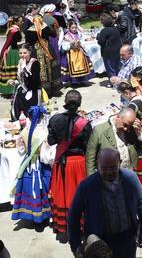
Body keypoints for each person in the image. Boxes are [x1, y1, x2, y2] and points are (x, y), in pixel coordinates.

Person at [68, 148, 142, 258]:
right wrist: (76, 246)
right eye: (104, 168)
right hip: (100, 245)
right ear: (97, 165)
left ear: (120, 163)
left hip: (127, 240)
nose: (109, 172)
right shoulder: (86, 186)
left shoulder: (131, 179)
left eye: (113, 168)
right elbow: (73, 216)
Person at [47, 90, 92, 237]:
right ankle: (80, 226)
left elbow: (51, 141)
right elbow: (88, 146)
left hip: (61, 162)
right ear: (79, 104)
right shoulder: (84, 124)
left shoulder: (54, 119)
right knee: (78, 196)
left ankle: (63, 227)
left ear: (65, 103)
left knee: (62, 195)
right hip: (78, 163)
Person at [12, 105, 52, 224]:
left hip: (28, 164)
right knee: (43, 187)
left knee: (29, 188)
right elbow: (47, 153)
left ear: (29, 117)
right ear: (41, 118)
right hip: (41, 163)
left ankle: (33, 215)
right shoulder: (44, 132)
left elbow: (21, 149)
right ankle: (45, 214)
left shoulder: (24, 131)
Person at [85, 108, 142, 175]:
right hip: (108, 176)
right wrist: (92, 181)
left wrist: (139, 134)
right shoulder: (99, 131)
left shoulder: (130, 129)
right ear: (118, 117)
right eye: (125, 125)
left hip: (129, 174)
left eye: (128, 126)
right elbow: (90, 159)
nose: (126, 129)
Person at [10, 43, 42, 120]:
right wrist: (14, 82)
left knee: (32, 114)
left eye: (25, 53)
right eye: (20, 53)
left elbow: (33, 80)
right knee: (17, 106)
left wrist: (24, 67)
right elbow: (21, 80)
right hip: (24, 89)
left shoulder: (35, 63)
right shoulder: (20, 63)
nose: (22, 55)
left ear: (29, 52)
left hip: (33, 90)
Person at [60, 21, 95, 86]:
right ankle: (74, 82)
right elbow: (64, 45)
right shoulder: (66, 36)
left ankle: (82, 80)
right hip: (71, 54)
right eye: (72, 28)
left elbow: (82, 39)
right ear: (69, 28)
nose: (74, 29)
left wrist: (85, 40)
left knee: (82, 66)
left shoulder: (78, 33)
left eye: (75, 27)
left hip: (80, 53)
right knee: (73, 68)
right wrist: (71, 44)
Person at [0, 17, 23, 96]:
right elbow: (15, 44)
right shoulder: (15, 31)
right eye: (20, 21)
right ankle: (13, 89)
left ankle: (7, 89)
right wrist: (24, 42)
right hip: (14, 51)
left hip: (9, 50)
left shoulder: (10, 29)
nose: (22, 23)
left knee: (8, 70)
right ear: (16, 22)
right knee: (15, 70)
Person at [97, 13, 123, 80]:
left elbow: (100, 42)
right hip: (117, 50)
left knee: (110, 68)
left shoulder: (104, 31)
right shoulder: (115, 29)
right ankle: (118, 80)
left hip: (108, 52)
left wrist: (98, 37)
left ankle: (113, 82)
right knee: (117, 67)